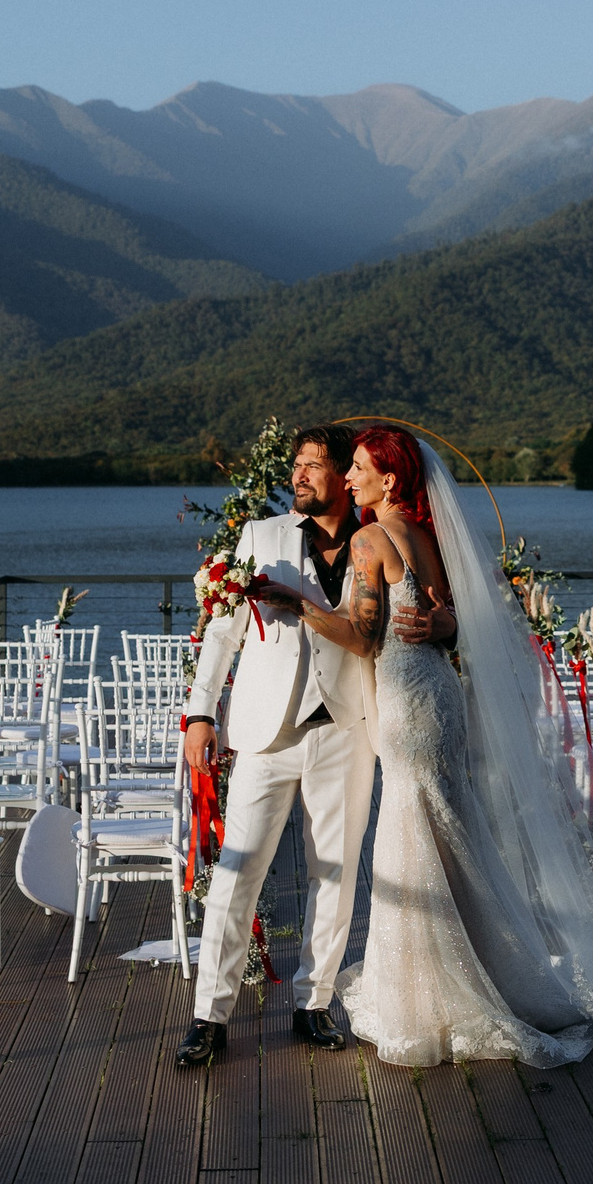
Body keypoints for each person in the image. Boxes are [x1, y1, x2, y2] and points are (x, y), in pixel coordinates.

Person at [256, 426, 593, 1065]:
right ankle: (480, 968)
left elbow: (361, 636)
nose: (349, 476)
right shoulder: (424, 537)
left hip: (407, 701)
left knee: (413, 834)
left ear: (390, 480)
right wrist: (443, 626)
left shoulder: (367, 538)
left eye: (359, 467)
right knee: (446, 828)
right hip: (437, 692)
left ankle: (432, 991)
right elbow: (450, 617)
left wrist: (297, 604)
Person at [172, 425, 452, 1069]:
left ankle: (313, 1003)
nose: (298, 475)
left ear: (341, 475)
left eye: (314, 465)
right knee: (237, 870)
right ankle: (208, 1016)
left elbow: (399, 621)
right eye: (294, 464)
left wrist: (443, 621)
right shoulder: (260, 539)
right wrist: (199, 713)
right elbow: (221, 632)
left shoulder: (370, 540)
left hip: (347, 725)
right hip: (266, 732)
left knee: (338, 869)